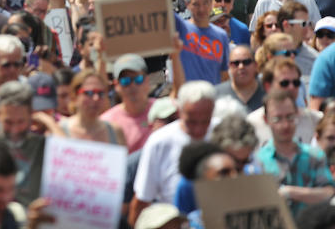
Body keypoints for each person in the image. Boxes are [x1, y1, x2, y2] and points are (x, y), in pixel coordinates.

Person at [130, 81, 216, 225]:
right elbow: (142, 200)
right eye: (192, 122)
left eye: (205, 121)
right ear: (180, 111)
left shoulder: (223, 133)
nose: (198, 130)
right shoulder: (159, 142)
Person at [248, 89, 335, 216]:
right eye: (277, 119)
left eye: (290, 117)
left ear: (297, 115)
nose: (285, 125)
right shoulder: (258, 161)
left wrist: (291, 193)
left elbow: (329, 192)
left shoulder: (315, 156)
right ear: (266, 120)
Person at [247, 57, 323, 146]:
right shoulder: (251, 124)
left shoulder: (316, 120)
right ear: (268, 86)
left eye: (296, 83)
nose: (291, 87)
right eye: (284, 83)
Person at [175, 0, 229, 85]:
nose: (202, 9)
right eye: (196, 4)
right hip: (186, 97)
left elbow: (224, 75)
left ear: (211, 2)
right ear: (187, 4)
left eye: (205, 3)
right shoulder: (180, 28)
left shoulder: (221, 36)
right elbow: (159, 2)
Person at [101, 54, 157, 152]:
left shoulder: (163, 110)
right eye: (125, 81)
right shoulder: (108, 122)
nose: (132, 85)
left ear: (147, 80)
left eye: (138, 79)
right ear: (116, 85)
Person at [215, 45, 265, 113]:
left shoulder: (269, 92)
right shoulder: (217, 94)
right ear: (229, 67)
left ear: (255, 65)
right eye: (236, 63)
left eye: (246, 62)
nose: (241, 67)